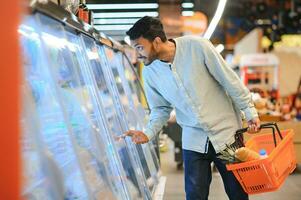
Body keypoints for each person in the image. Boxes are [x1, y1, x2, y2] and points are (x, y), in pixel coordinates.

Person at [124, 16, 260, 200]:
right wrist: (148, 133)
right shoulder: (149, 72)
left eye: (139, 47)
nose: (136, 54)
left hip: (227, 136)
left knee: (237, 192)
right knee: (195, 195)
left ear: (156, 42)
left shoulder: (198, 47)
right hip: (193, 140)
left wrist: (249, 111)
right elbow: (160, 109)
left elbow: (230, 81)